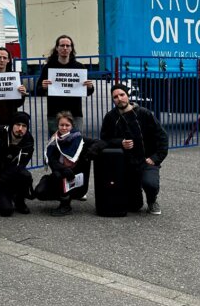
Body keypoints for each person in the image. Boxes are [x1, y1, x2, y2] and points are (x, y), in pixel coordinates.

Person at [100, 83, 169, 215]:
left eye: (122, 95)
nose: (119, 99)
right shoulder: (110, 117)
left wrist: (156, 158)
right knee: (134, 206)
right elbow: (104, 140)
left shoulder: (144, 113)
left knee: (150, 183)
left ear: (127, 95)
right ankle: (134, 195)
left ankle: (152, 201)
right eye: (115, 97)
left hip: (146, 160)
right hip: (126, 164)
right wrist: (120, 143)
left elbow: (162, 136)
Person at [33, 111, 91, 216]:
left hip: (75, 176)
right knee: (39, 192)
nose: (64, 128)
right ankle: (57, 190)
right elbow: (52, 161)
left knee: (58, 175)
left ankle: (65, 205)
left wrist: (94, 150)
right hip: (60, 173)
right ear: (58, 126)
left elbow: (100, 142)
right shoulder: (54, 140)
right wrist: (63, 168)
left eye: (67, 125)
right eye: (61, 125)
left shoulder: (79, 138)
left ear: (72, 126)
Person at [36, 35, 95, 135]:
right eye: (62, 45)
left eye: (68, 46)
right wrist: (43, 87)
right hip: (54, 113)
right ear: (57, 48)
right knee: (55, 144)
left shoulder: (79, 67)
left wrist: (90, 87)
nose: (65, 48)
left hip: (75, 113)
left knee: (75, 143)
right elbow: (38, 90)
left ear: (71, 49)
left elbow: (88, 91)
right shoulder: (48, 67)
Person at [0, 111, 35, 217]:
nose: (20, 129)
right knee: (6, 211)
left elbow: (19, 167)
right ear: (12, 125)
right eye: (17, 125)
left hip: (11, 175)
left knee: (25, 175)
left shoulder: (28, 140)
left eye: (24, 126)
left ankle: (19, 201)